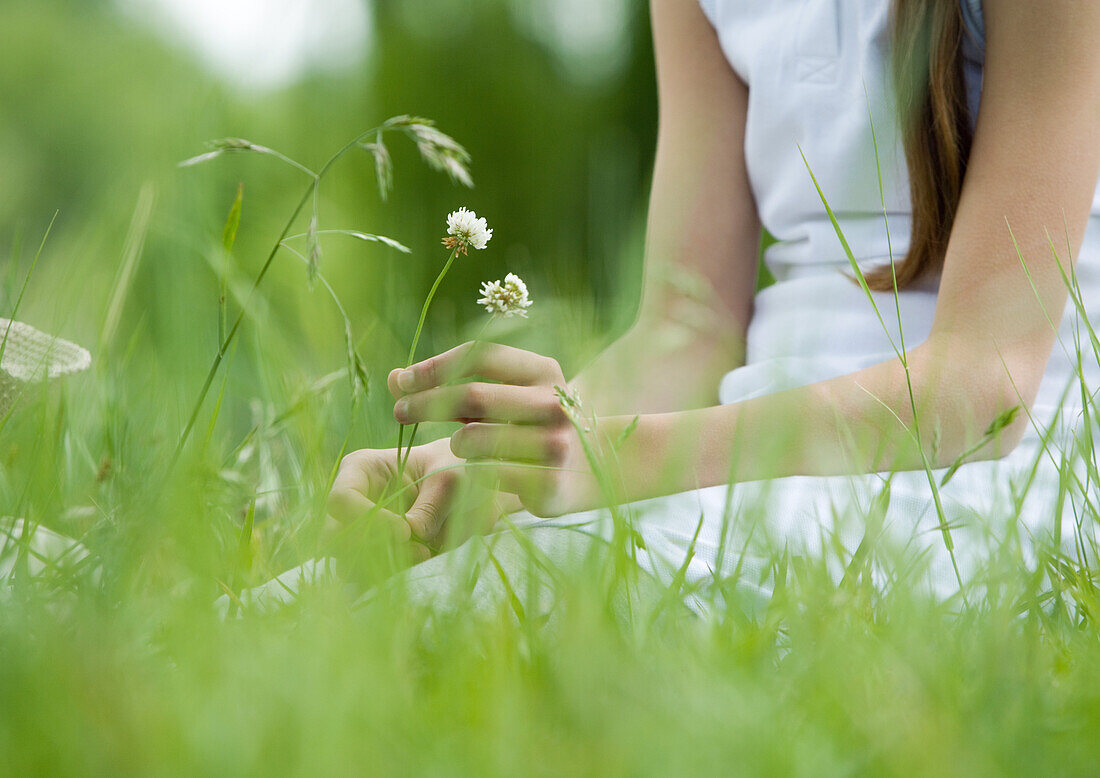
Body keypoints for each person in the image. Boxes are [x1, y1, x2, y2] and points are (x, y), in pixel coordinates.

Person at [319, 0, 1100, 615]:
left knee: (463, 609)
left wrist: (620, 458)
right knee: (297, 606)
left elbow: (980, 390)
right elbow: (684, 333)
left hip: (992, 481)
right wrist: (487, 458)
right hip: (743, 460)